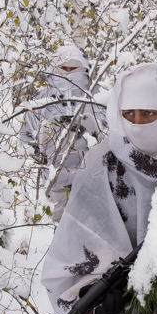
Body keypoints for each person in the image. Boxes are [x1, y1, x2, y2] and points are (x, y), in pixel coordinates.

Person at [40, 63, 157, 314]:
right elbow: (71, 252)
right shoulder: (102, 166)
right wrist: (89, 290)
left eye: (150, 114)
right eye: (129, 115)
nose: (138, 124)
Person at [20, 45, 107, 220]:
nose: (68, 73)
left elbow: (115, 132)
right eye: (63, 68)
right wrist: (41, 156)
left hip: (95, 183)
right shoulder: (41, 100)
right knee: (62, 235)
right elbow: (26, 137)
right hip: (56, 184)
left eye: (73, 68)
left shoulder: (99, 97)